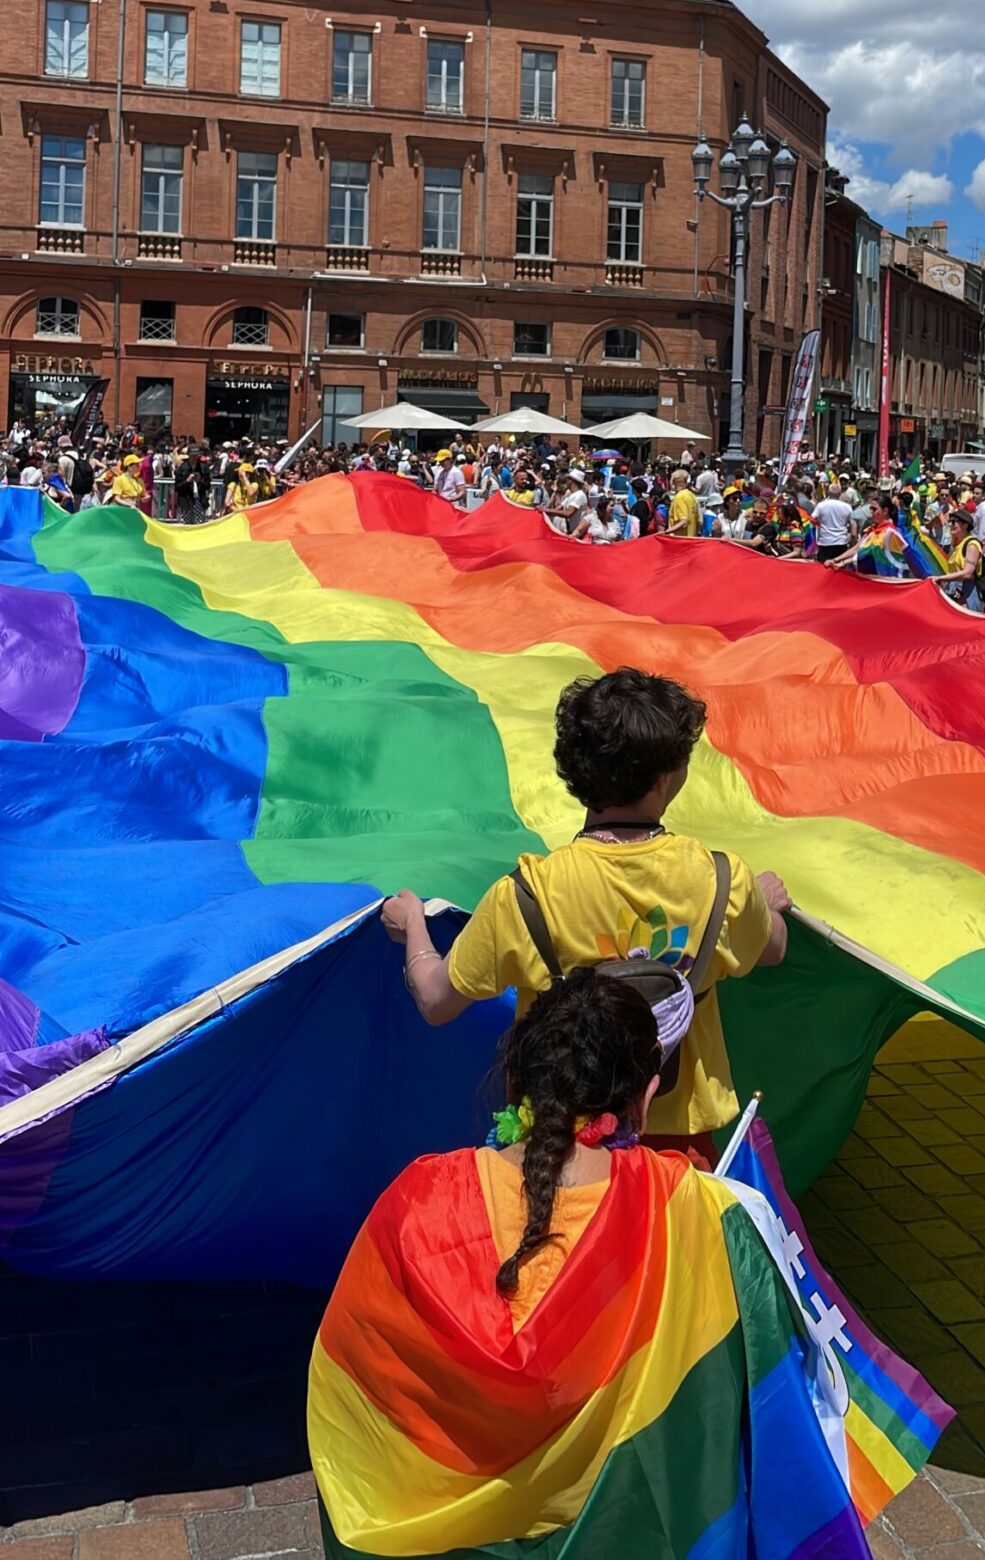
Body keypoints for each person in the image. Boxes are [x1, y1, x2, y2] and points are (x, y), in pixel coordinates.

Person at [309, 970, 864, 1560]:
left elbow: (353, 1389)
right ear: (644, 1098)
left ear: (518, 1081)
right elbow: (761, 1404)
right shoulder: (696, 1215)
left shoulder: (415, 1202)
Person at [381, 668, 789, 1160]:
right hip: (678, 1156)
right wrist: (762, 903)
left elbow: (435, 1000)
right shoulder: (723, 881)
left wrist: (414, 928)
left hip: (555, 1151)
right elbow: (774, 948)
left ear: (575, 773)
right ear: (665, 779)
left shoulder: (528, 896)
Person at [811, 482, 854, 564]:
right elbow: (852, 523)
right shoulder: (847, 507)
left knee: (823, 566)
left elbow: (812, 519)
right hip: (841, 541)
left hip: (825, 541)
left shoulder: (821, 505)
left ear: (828, 492)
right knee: (839, 567)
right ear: (840, 493)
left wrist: (819, 525)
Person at [666, 468, 702, 537]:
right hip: (691, 541)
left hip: (679, 542)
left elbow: (684, 521)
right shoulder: (692, 496)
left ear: (675, 482)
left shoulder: (679, 497)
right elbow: (699, 522)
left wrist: (666, 532)